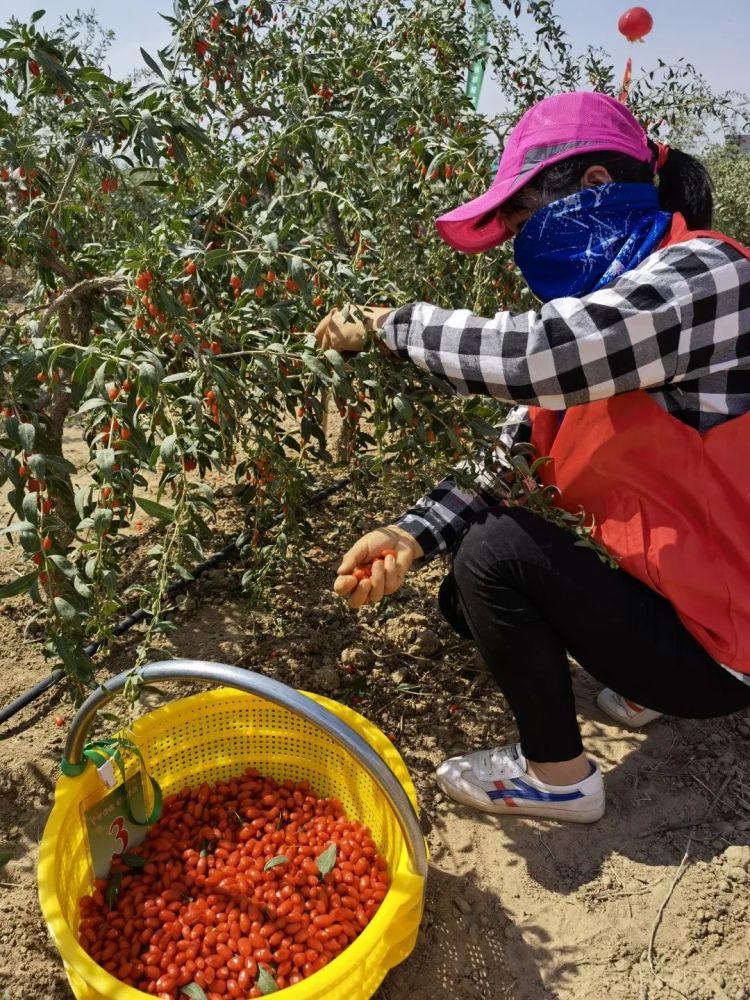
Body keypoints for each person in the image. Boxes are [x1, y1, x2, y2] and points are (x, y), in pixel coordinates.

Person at [314, 91, 750, 823]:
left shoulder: (713, 276)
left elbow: (540, 356)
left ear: (594, 188)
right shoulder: (611, 316)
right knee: (466, 590)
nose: (518, 240)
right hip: (702, 611)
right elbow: (514, 448)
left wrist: (393, 326)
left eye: (523, 216)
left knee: (495, 557)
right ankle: (648, 683)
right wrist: (410, 534)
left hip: (730, 652)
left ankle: (557, 778)